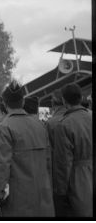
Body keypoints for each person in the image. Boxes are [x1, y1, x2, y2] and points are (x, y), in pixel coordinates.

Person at [0, 81, 53, 217]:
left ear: (5, 105)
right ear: (23, 102)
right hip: (44, 196)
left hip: (19, 201)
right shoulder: (40, 125)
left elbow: (1, 164)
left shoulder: (4, 127)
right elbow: (48, 161)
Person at [51, 83, 92, 217]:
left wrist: (60, 193)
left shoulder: (64, 125)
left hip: (79, 179)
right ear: (80, 98)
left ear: (63, 100)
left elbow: (63, 163)